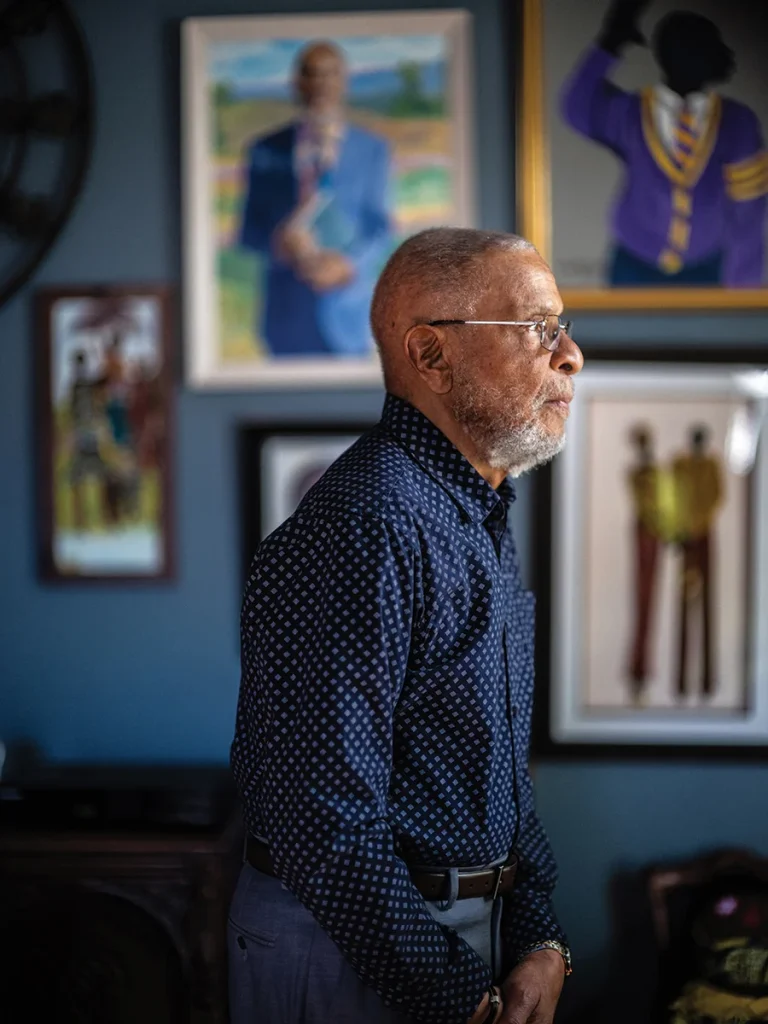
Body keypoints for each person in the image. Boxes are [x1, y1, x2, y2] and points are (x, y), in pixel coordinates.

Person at [229, 227, 583, 1024]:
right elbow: (324, 818)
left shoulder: (475, 508)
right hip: (355, 948)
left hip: (460, 934)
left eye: (561, 327)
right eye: (537, 327)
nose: (570, 355)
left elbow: (498, 774)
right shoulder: (368, 525)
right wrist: (454, 994)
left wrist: (539, 936)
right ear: (430, 354)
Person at [561, 0, 768, 286]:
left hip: (706, 267)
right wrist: (610, 43)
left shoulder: (736, 121)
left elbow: (749, 209)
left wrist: (743, 289)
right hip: (635, 263)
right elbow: (577, 107)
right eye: (688, 47)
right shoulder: (630, 111)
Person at [239, 40, 393, 357]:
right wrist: (279, 243)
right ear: (296, 83)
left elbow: (381, 227)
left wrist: (349, 265)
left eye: (330, 73)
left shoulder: (373, 149)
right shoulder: (264, 150)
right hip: (286, 316)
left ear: (344, 80)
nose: (321, 83)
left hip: (350, 315)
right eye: (311, 74)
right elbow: (248, 232)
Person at [672, 425, 724, 698]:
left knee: (707, 603)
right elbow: (673, 496)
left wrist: (696, 523)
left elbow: (716, 497)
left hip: (703, 535)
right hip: (686, 537)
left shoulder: (711, 465)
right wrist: (683, 527)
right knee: (684, 604)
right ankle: (681, 683)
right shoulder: (680, 465)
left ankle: (707, 682)